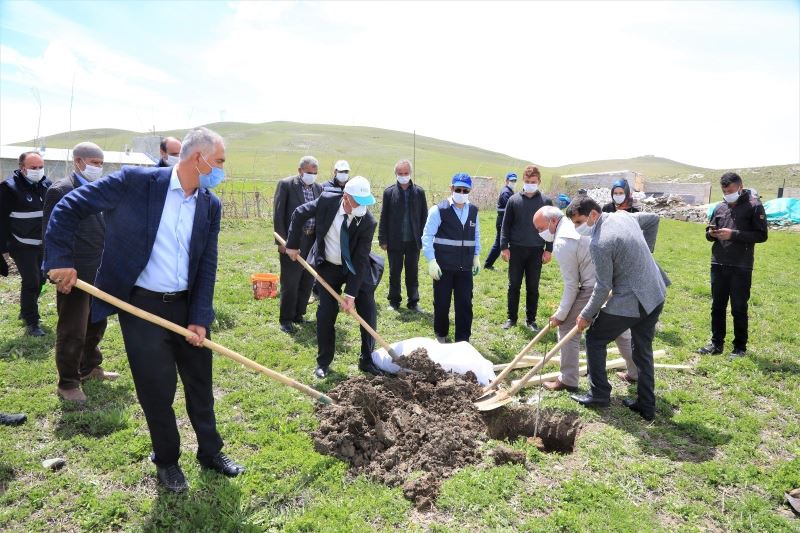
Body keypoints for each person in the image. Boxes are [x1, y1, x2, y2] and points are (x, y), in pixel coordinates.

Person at [44, 127, 244, 493]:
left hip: (187, 307)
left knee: (200, 384)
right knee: (157, 389)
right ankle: (167, 460)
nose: (220, 170)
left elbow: (208, 263)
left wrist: (200, 317)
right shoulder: (137, 183)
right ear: (197, 159)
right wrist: (60, 258)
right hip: (141, 307)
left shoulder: (209, 204)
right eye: (218, 162)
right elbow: (70, 205)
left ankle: (210, 452)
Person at [566, 197, 669, 421]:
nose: (577, 228)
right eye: (574, 224)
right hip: (655, 292)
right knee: (642, 349)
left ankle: (599, 394)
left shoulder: (599, 242)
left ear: (593, 214)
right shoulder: (622, 215)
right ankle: (646, 405)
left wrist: (585, 315)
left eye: (579, 222)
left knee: (595, 338)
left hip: (633, 299)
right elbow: (653, 219)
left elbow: (603, 287)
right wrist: (644, 257)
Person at [285, 176, 384, 378]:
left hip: (355, 268)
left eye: (365, 203)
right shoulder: (327, 200)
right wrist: (293, 244)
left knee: (368, 309)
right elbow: (299, 213)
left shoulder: (367, 221)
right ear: (346, 198)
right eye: (358, 202)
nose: (362, 208)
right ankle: (323, 362)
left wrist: (351, 295)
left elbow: (360, 259)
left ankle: (367, 359)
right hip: (328, 266)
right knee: (325, 314)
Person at [42, 142, 117, 403]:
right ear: (78, 162)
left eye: (100, 163)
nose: (98, 167)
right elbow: (51, 233)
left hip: (100, 269)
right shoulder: (61, 190)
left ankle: (90, 367)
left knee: (97, 321)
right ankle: (68, 382)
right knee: (73, 327)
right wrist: (57, 269)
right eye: (93, 162)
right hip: (73, 272)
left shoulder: (100, 190)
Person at [533, 206, 638, 392]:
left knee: (567, 328)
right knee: (620, 329)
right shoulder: (574, 224)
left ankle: (568, 379)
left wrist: (560, 314)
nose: (539, 233)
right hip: (615, 281)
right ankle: (636, 371)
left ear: (553, 221)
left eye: (540, 228)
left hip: (594, 285)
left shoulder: (562, 242)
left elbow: (571, 285)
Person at [698, 172, 768, 358]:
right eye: (724, 191)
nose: (727, 194)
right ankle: (716, 343)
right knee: (717, 306)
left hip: (741, 266)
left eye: (730, 190)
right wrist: (710, 234)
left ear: (740, 186)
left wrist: (733, 234)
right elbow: (709, 231)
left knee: (738, 307)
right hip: (718, 263)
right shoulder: (720, 207)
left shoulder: (754, 206)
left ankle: (739, 348)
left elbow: (762, 235)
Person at [421, 173, 481, 343]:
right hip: (443, 267)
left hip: (465, 267)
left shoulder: (473, 211)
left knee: (465, 305)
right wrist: (431, 260)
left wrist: (476, 256)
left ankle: (463, 340)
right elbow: (427, 237)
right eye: (458, 189)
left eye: (465, 190)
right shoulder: (438, 210)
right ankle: (441, 336)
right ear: (451, 188)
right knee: (441, 304)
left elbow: (476, 235)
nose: (461, 192)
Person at [0, 150, 52, 336]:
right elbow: (1, 219)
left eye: (40, 167)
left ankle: (25, 310)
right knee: (31, 280)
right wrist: (2, 248)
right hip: (21, 244)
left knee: (42, 279)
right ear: (22, 169)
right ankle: (32, 321)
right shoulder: (8, 188)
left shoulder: (47, 185)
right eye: (33, 168)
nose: (38, 171)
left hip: (42, 243)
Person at [273, 156, 323, 333]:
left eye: (315, 173)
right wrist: (281, 241)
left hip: (311, 241)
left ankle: (299, 314)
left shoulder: (319, 188)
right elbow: (279, 214)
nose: (312, 176)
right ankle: (286, 319)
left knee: (307, 279)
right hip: (293, 241)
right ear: (300, 170)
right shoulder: (286, 185)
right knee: (291, 281)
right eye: (309, 172)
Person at [499, 165, 552, 331]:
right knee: (513, 285)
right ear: (523, 181)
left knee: (533, 287)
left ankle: (531, 320)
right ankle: (511, 318)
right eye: (528, 181)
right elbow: (505, 226)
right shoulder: (513, 200)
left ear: (539, 181)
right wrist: (503, 247)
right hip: (516, 249)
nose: (530, 184)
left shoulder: (546, 202)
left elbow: (552, 227)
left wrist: (549, 249)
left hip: (536, 250)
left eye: (533, 181)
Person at [378, 159, 428, 312]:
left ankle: (413, 301)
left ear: (410, 173)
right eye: (400, 173)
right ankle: (394, 301)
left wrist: (425, 238)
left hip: (414, 240)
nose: (403, 176)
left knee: (412, 272)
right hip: (394, 241)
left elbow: (424, 217)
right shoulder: (389, 192)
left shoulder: (419, 192)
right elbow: (383, 216)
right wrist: (383, 239)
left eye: (406, 173)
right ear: (396, 174)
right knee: (394, 272)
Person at [484, 172, 517, 270]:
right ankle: (488, 264)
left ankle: (488, 264)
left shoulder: (509, 191)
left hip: (503, 220)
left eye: (515, 180)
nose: (513, 182)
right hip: (503, 221)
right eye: (511, 180)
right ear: (506, 181)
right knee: (500, 244)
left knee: (500, 244)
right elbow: (510, 209)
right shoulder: (506, 193)